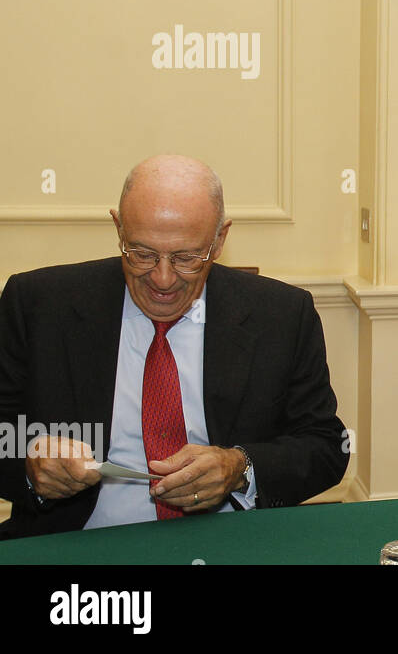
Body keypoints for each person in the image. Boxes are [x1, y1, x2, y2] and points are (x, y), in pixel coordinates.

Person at [0, 155, 349, 538]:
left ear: (219, 241)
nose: (163, 279)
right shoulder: (37, 304)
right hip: (76, 542)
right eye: (142, 254)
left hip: (230, 543)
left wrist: (240, 467)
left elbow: (326, 447)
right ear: (118, 228)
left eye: (186, 258)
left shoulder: (282, 315)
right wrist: (29, 466)